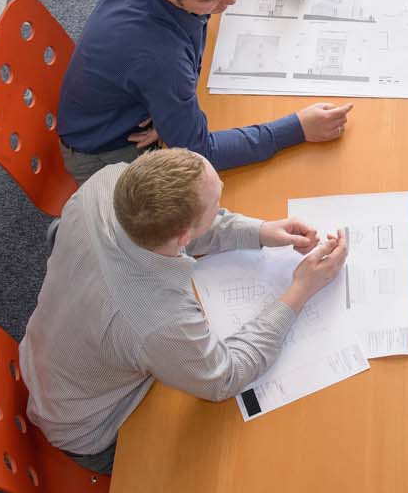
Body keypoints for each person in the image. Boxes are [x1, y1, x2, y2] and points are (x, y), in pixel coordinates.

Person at [19, 148, 349, 473]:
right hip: (87, 429)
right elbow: (225, 376)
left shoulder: (108, 182)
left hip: (46, 359)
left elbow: (167, 233)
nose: (221, 207)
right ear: (184, 237)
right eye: (216, 205)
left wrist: (259, 232)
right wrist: (301, 288)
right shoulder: (159, 320)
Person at [57, 0, 351, 182]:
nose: (231, 1)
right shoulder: (160, 58)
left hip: (128, 102)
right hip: (105, 152)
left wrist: (168, 113)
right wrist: (296, 128)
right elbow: (200, 153)